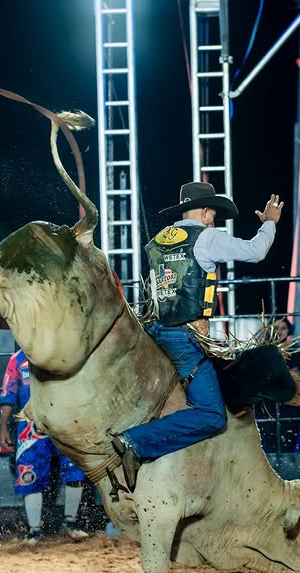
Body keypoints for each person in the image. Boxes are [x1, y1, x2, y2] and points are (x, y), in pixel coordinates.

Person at [111, 181, 283, 487]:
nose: (214, 219)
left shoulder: (157, 241)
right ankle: (135, 443)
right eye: (213, 214)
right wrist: (269, 223)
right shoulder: (206, 238)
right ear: (204, 212)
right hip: (185, 339)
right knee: (211, 414)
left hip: (154, 331)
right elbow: (256, 252)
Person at [0, 348, 90, 542]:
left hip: (64, 421)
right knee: (29, 473)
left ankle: (71, 523)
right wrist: (3, 428)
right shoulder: (16, 360)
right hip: (29, 426)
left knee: (75, 468)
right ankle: (34, 531)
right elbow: (8, 396)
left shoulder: (60, 350)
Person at [258, 317, 300, 454]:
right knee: (267, 438)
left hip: (289, 402)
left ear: (289, 330)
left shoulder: (296, 350)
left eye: (283, 328)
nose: (280, 332)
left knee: (288, 438)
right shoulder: (262, 351)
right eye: (276, 328)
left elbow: (295, 375)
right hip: (267, 403)